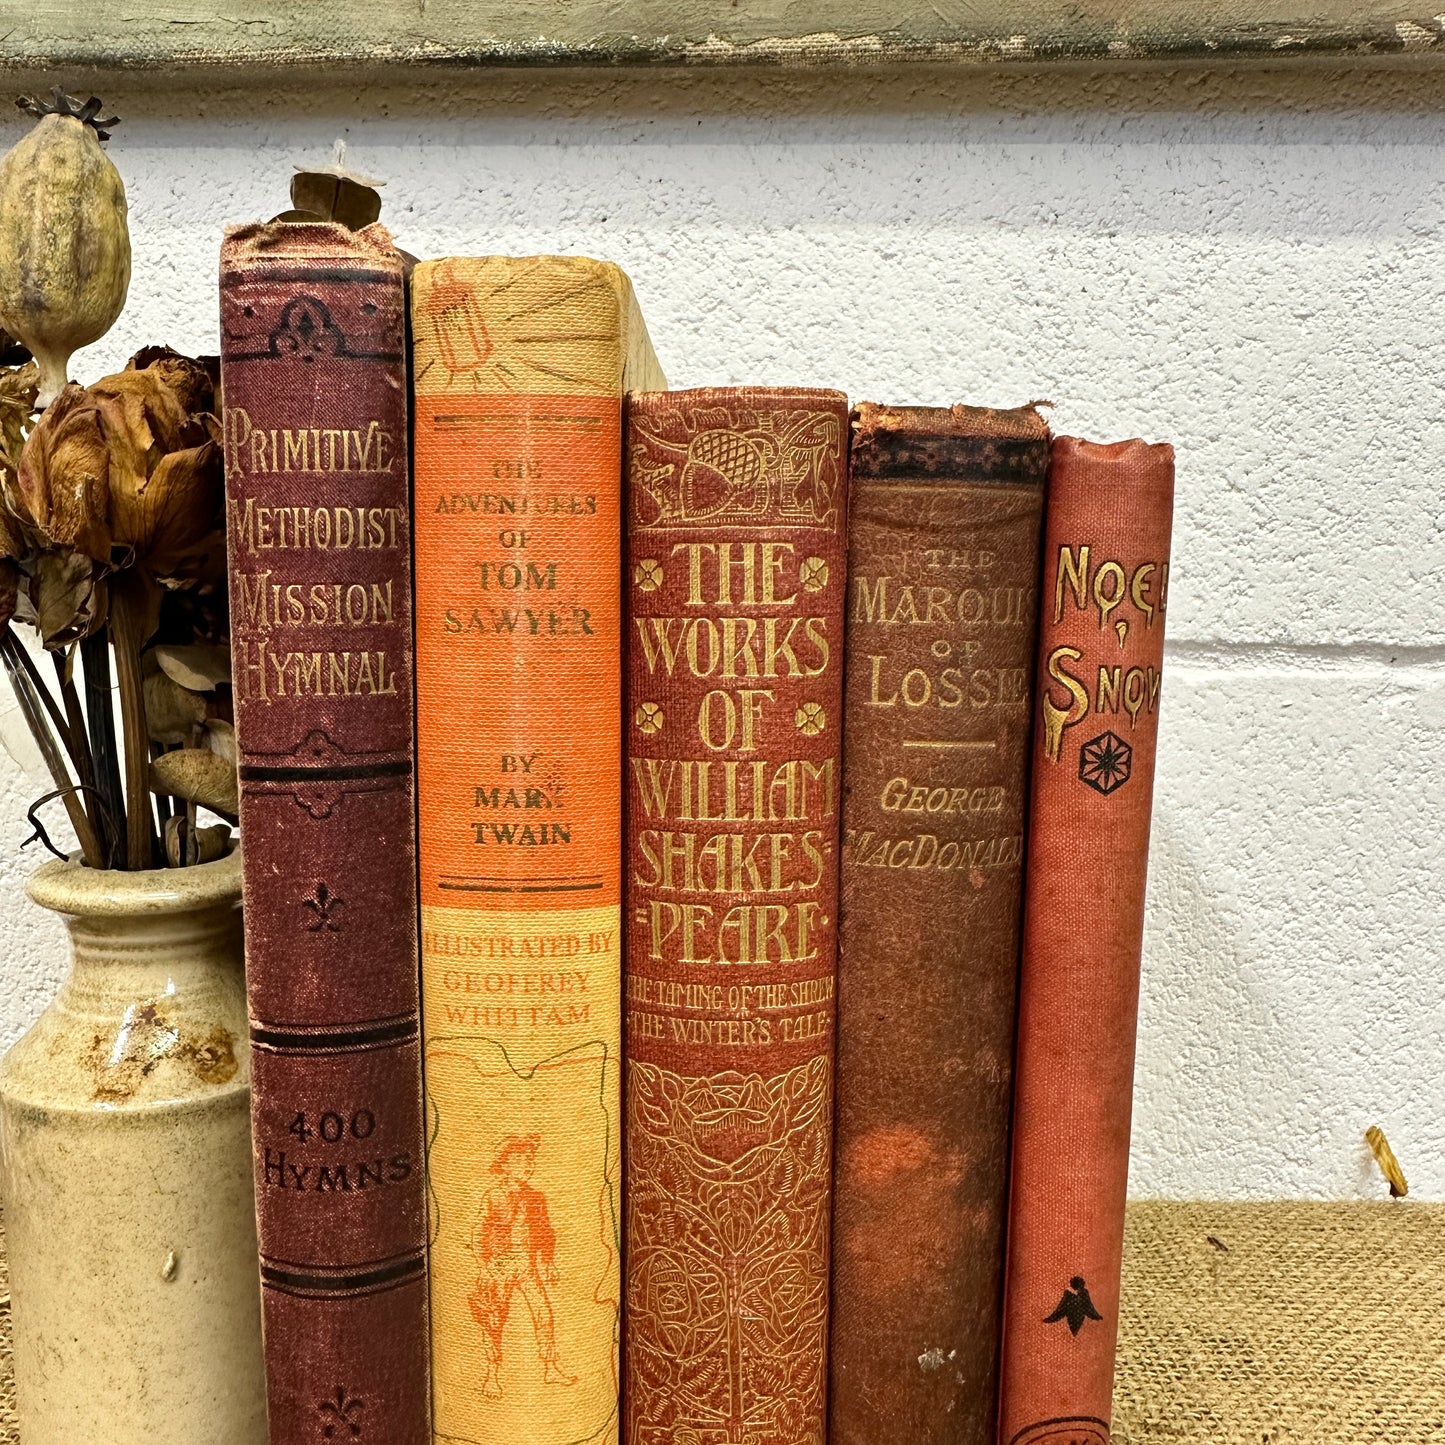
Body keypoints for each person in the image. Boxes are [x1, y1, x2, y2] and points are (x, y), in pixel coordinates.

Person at [468, 1133, 577, 1399]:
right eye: (519, 1160)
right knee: (495, 1319)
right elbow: (479, 1232)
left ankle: (551, 1367)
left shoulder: (536, 1197)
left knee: (543, 1312)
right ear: (504, 1164)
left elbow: (546, 1232)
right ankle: (492, 1374)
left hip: (527, 1263)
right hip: (500, 1265)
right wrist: (485, 1266)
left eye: (530, 1160)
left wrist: (548, 1261)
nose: (527, 1166)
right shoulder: (493, 1196)